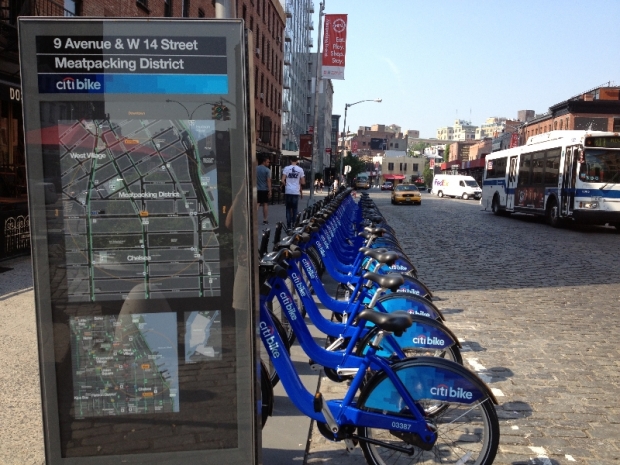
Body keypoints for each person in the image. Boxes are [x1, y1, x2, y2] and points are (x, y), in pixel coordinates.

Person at [281, 156, 305, 229]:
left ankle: (288, 226)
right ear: (297, 161)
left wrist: (286, 185)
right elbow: (303, 182)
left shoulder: (286, 168)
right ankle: (294, 224)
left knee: (288, 208)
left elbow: (282, 180)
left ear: (290, 160)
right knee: (295, 208)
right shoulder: (300, 169)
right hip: (295, 191)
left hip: (288, 191)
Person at [256, 154, 272, 224]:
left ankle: (253, 218)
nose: (268, 163)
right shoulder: (267, 170)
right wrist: (270, 190)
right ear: (264, 162)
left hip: (256, 189)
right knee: (265, 204)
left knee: (257, 204)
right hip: (264, 189)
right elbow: (268, 180)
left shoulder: (255, 168)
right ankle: (265, 219)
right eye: (267, 162)